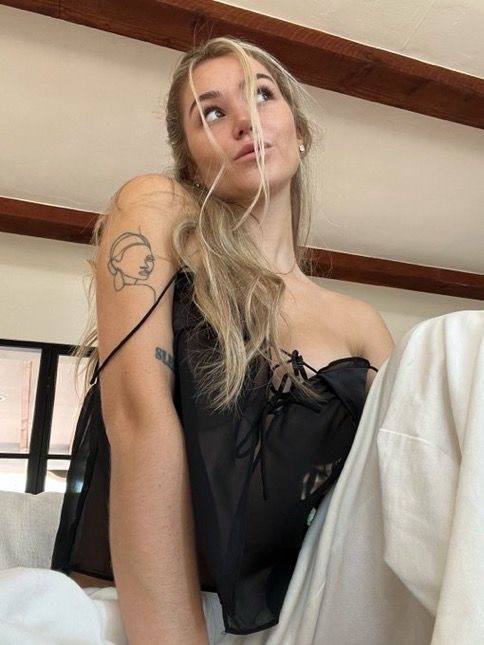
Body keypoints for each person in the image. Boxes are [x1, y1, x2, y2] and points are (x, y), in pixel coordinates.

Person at [51, 36, 395, 643]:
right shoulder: (157, 209)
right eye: (211, 112)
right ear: (189, 161)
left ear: (298, 130)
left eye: (262, 95)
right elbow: (138, 419)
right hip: (146, 609)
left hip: (301, 615)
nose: (244, 120)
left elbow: (393, 489)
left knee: (456, 350)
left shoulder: (360, 323)